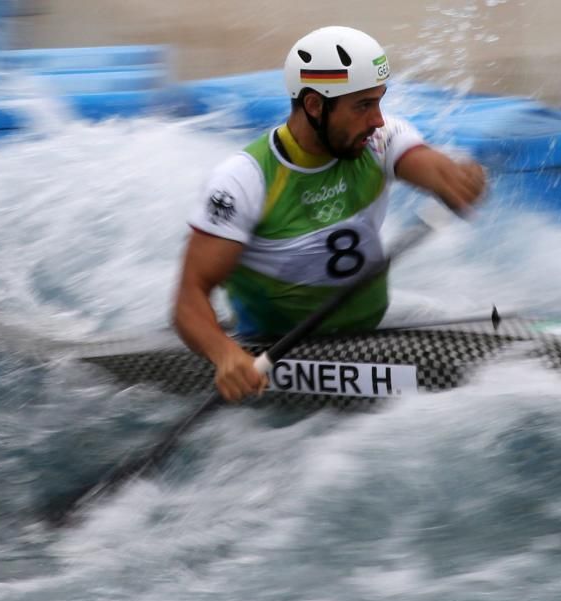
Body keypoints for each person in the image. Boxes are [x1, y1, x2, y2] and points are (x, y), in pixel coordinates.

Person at [173, 26, 487, 402]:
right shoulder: (243, 181)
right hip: (271, 352)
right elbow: (189, 298)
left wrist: (457, 179)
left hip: (369, 332)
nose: (377, 119)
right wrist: (224, 355)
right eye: (362, 105)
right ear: (314, 106)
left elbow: (428, 165)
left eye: (378, 102)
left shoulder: (377, 139)